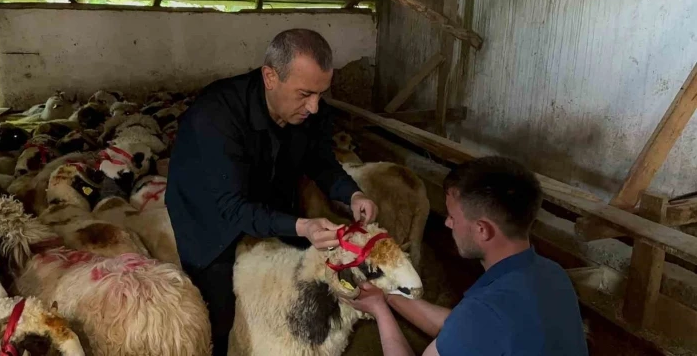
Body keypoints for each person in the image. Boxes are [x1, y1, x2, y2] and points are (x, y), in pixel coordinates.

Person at [165, 28, 379, 355]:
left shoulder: (312, 111)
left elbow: (321, 160)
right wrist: (302, 226)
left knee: (292, 275)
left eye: (321, 94)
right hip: (209, 215)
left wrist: (352, 194)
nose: (315, 107)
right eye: (305, 94)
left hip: (269, 197)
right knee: (217, 309)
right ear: (269, 77)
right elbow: (233, 207)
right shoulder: (217, 113)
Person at [342, 156, 589, 356]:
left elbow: (472, 324)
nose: (448, 223)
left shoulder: (482, 312)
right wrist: (387, 295)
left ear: (482, 229)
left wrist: (379, 311)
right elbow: (462, 327)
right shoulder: (553, 275)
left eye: (453, 217)